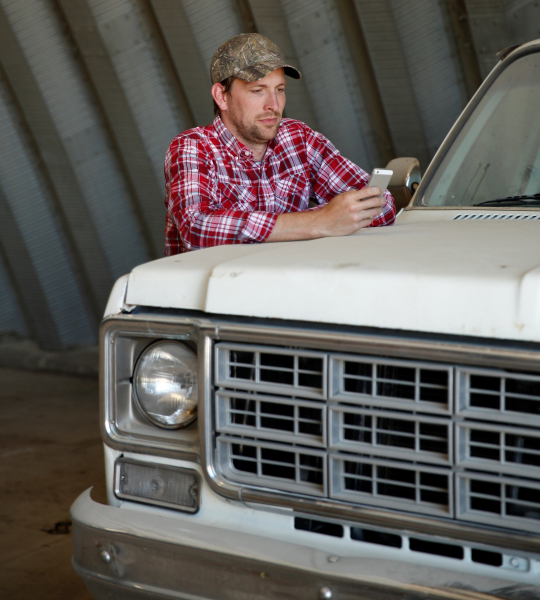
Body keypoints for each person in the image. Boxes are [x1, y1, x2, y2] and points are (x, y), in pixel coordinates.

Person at [164, 33, 395, 256]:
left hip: (292, 284)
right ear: (222, 96)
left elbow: (381, 205)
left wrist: (331, 218)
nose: (273, 105)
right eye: (258, 91)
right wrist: (321, 220)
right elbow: (196, 229)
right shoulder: (193, 147)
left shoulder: (298, 138)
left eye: (280, 90)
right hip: (221, 289)